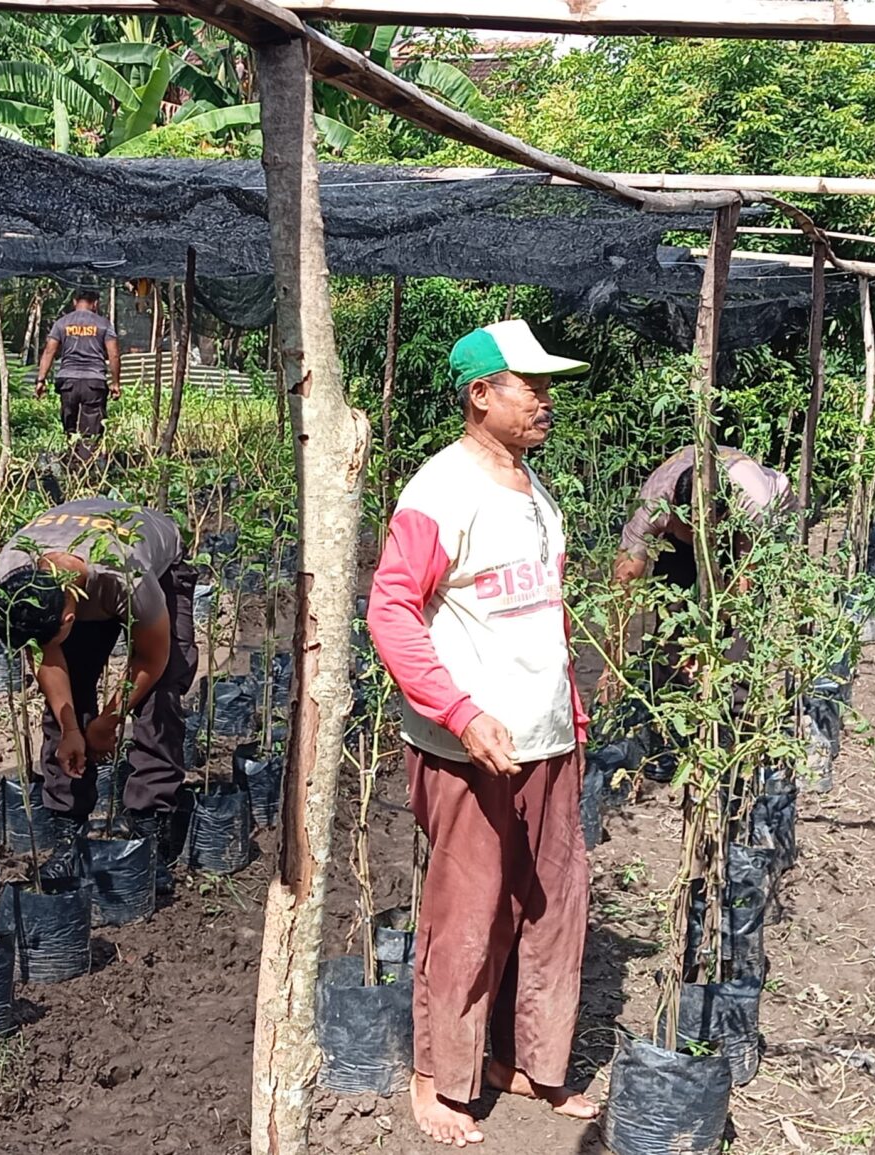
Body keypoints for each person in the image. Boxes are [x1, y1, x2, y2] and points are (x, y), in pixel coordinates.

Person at [366, 318, 599, 1146]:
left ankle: (527, 1061)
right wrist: (460, 712)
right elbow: (391, 611)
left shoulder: (533, 489)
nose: (545, 400)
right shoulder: (440, 490)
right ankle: (437, 1077)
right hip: (469, 747)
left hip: (547, 738)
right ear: (479, 395)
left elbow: (546, 614)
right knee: (466, 913)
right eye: (530, 386)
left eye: (548, 387)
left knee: (550, 905)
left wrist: (570, 710)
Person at [0, 497, 196, 860]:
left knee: (160, 695)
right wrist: (72, 729)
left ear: (69, 620)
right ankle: (67, 827)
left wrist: (108, 721)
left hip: (153, 564)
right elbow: (43, 652)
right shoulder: (13, 569)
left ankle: (150, 826)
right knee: (67, 696)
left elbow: (152, 657)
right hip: (82, 566)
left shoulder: (128, 577)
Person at [610, 444, 793, 591]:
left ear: (724, 514)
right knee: (672, 589)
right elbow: (626, 572)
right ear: (674, 507)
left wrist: (719, 617)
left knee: (745, 606)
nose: (699, 535)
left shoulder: (754, 504)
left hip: (766, 517)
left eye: (706, 529)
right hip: (682, 518)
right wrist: (617, 625)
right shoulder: (653, 502)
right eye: (691, 527)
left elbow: (745, 576)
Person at [33, 287, 121, 443]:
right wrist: (115, 383)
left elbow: (49, 352)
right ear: (95, 303)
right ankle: (87, 455)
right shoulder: (104, 324)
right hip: (94, 383)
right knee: (92, 434)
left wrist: (41, 380)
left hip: (68, 382)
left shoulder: (61, 323)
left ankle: (73, 455)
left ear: (74, 302)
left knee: (70, 430)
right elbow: (113, 355)